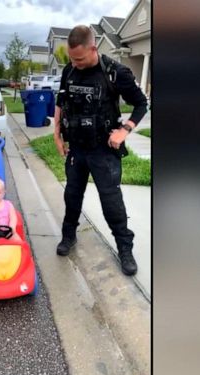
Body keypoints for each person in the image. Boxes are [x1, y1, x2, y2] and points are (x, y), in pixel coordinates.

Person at [54, 25, 148, 276]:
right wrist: (56, 136)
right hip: (77, 148)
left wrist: (125, 129)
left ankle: (125, 248)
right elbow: (61, 103)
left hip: (103, 151)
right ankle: (68, 236)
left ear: (93, 48)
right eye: (72, 58)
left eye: (80, 58)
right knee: (72, 196)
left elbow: (141, 104)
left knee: (111, 202)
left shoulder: (116, 73)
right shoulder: (69, 70)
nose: (75, 63)